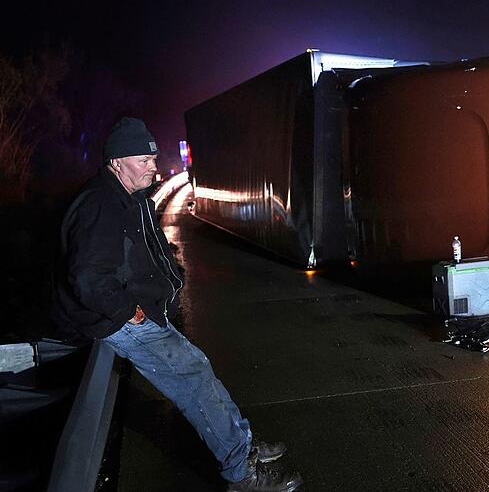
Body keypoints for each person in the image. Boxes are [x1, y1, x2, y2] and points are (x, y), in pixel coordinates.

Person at [52, 118, 302, 492]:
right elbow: (88, 278)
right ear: (116, 162)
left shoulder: (131, 195)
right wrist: (128, 313)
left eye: (153, 159)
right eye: (143, 160)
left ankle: (242, 443)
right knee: (192, 379)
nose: (152, 167)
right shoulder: (101, 205)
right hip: (117, 318)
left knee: (198, 369)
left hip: (140, 309)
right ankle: (242, 474)